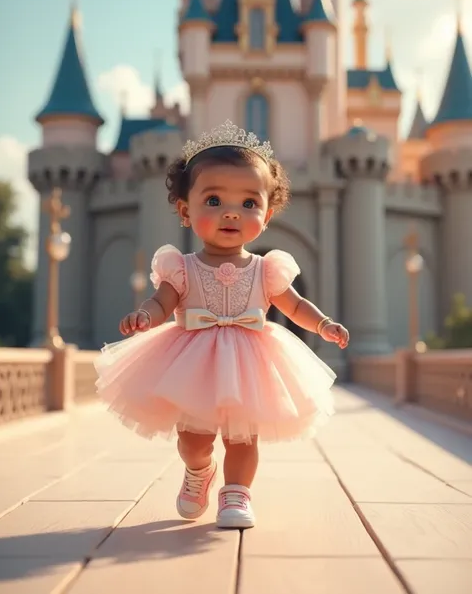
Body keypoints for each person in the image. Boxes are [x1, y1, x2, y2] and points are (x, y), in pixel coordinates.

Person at [95, 120, 349, 530]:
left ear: (265, 217)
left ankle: (237, 493)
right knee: (193, 439)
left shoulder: (267, 269)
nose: (232, 212)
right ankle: (199, 470)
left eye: (249, 203)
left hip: (250, 359)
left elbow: (295, 304)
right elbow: (163, 301)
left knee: (242, 435)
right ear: (185, 210)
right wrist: (146, 316)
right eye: (213, 200)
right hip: (192, 359)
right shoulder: (181, 267)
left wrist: (322, 324)